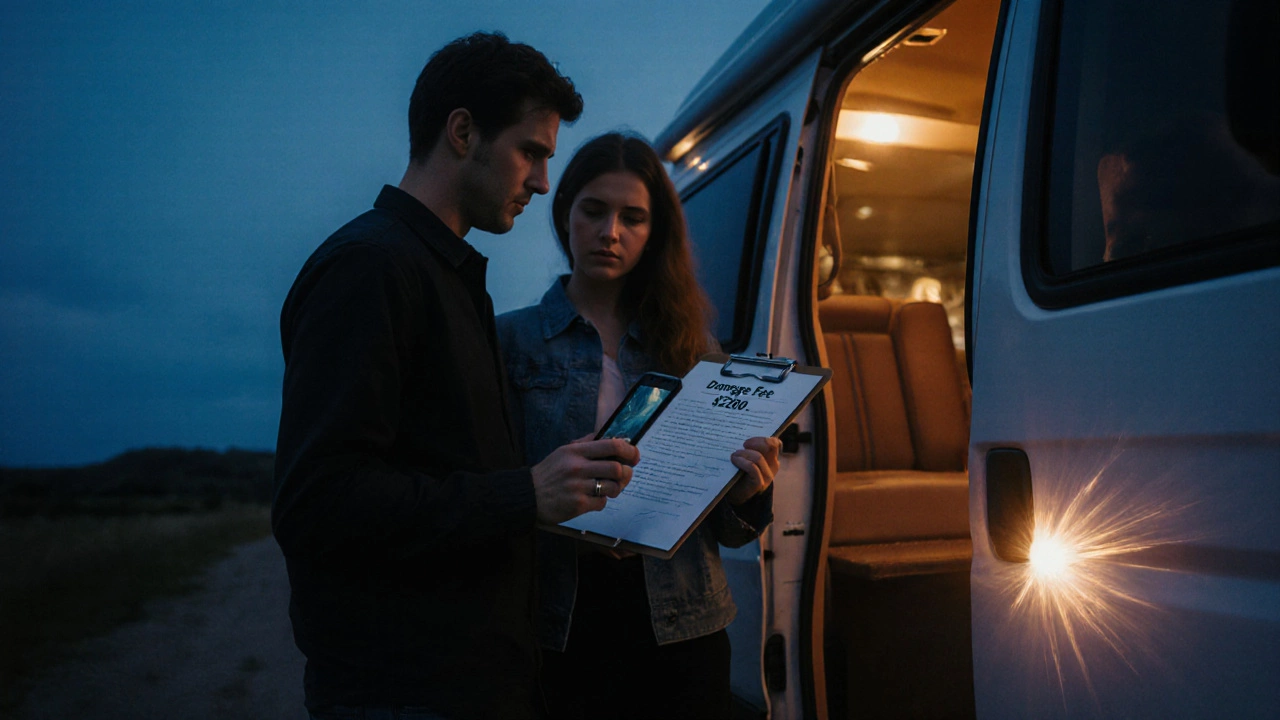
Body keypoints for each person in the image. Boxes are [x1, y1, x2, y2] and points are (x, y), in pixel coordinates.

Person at [272, 34, 641, 720]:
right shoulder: (371, 269)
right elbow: (318, 504)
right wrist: (525, 494)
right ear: (464, 132)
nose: (541, 182)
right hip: (405, 691)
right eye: (530, 151)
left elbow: (445, 471)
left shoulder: (451, 277)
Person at [496, 132, 782, 720]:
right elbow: (489, 494)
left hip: (683, 628)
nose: (611, 232)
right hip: (560, 627)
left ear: (655, 234)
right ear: (564, 213)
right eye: (594, 210)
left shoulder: (689, 345)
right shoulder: (509, 340)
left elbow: (729, 535)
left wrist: (750, 493)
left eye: (634, 217)